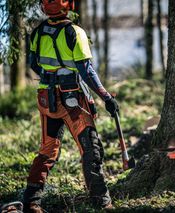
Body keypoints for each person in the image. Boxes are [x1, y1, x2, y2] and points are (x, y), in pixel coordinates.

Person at [23, 0, 118, 212]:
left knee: (47, 150)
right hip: (72, 100)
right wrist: (106, 97)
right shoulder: (75, 32)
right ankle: (102, 203)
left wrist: (51, 78)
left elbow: (33, 64)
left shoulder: (38, 32)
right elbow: (87, 71)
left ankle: (31, 202)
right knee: (90, 150)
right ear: (69, 6)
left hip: (47, 99)